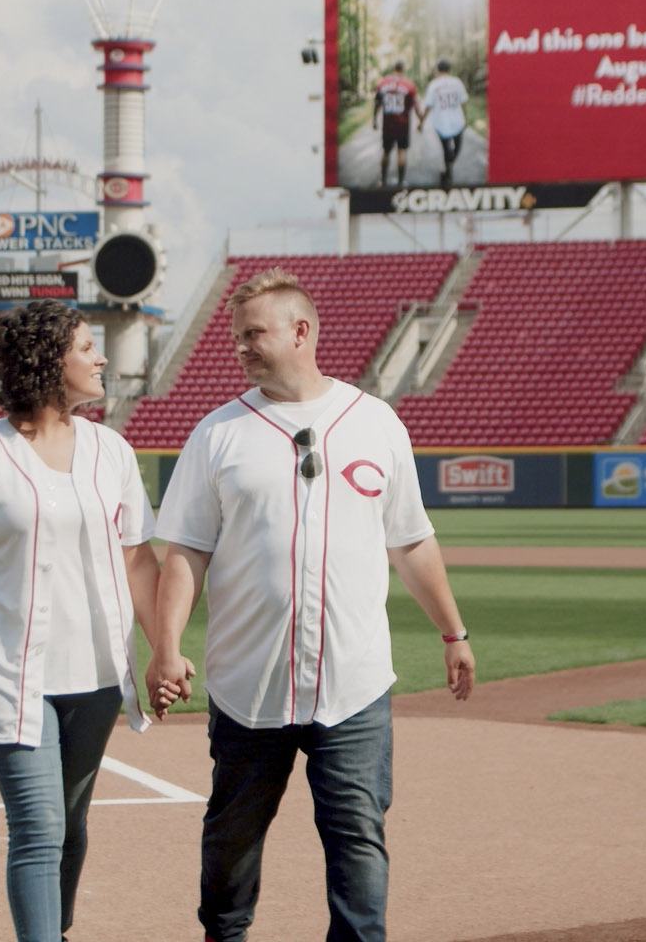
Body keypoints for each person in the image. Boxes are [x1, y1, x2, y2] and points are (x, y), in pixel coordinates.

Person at [146, 267, 475, 942]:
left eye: (255, 334)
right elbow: (185, 551)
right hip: (248, 682)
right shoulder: (218, 433)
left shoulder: (375, 423)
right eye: (238, 337)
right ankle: (223, 934)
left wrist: (453, 632)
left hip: (352, 682)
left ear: (302, 332)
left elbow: (411, 541)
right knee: (232, 836)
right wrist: (165, 646)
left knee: (357, 835)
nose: (242, 347)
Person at [0, 299, 186, 942]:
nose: (102, 356)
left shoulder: (111, 450)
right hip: (5, 671)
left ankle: (57, 930)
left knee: (71, 825)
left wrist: (165, 648)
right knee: (37, 827)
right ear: (48, 361)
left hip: (96, 675)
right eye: (87, 347)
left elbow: (139, 561)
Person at [419, 59, 469, 190]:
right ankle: (448, 171)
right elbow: (463, 102)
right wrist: (466, 118)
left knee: (446, 148)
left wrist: (421, 122)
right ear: (449, 68)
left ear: (437, 69)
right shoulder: (457, 82)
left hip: (441, 122)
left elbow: (428, 106)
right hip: (457, 120)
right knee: (457, 147)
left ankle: (448, 167)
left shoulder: (433, 85)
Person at [371, 59, 420, 186]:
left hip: (388, 124)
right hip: (403, 124)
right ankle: (401, 181)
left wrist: (374, 119)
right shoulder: (409, 85)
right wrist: (421, 120)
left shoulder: (382, 83)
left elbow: (377, 104)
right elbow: (415, 106)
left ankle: (383, 180)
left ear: (393, 67)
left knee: (386, 151)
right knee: (402, 152)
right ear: (403, 69)